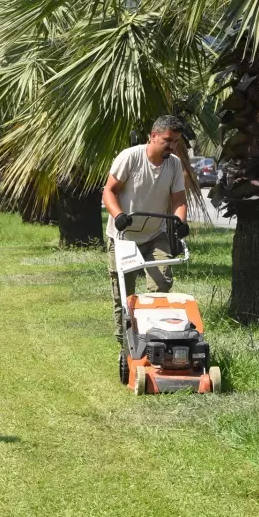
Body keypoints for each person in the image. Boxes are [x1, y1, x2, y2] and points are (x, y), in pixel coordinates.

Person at [102, 114, 192, 347]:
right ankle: (126, 346)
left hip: (156, 235)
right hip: (123, 236)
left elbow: (179, 200)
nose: (171, 146)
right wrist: (119, 216)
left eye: (175, 142)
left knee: (161, 285)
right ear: (153, 136)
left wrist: (179, 223)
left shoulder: (174, 165)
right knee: (124, 295)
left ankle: (155, 339)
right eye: (167, 140)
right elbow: (109, 191)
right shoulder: (130, 158)